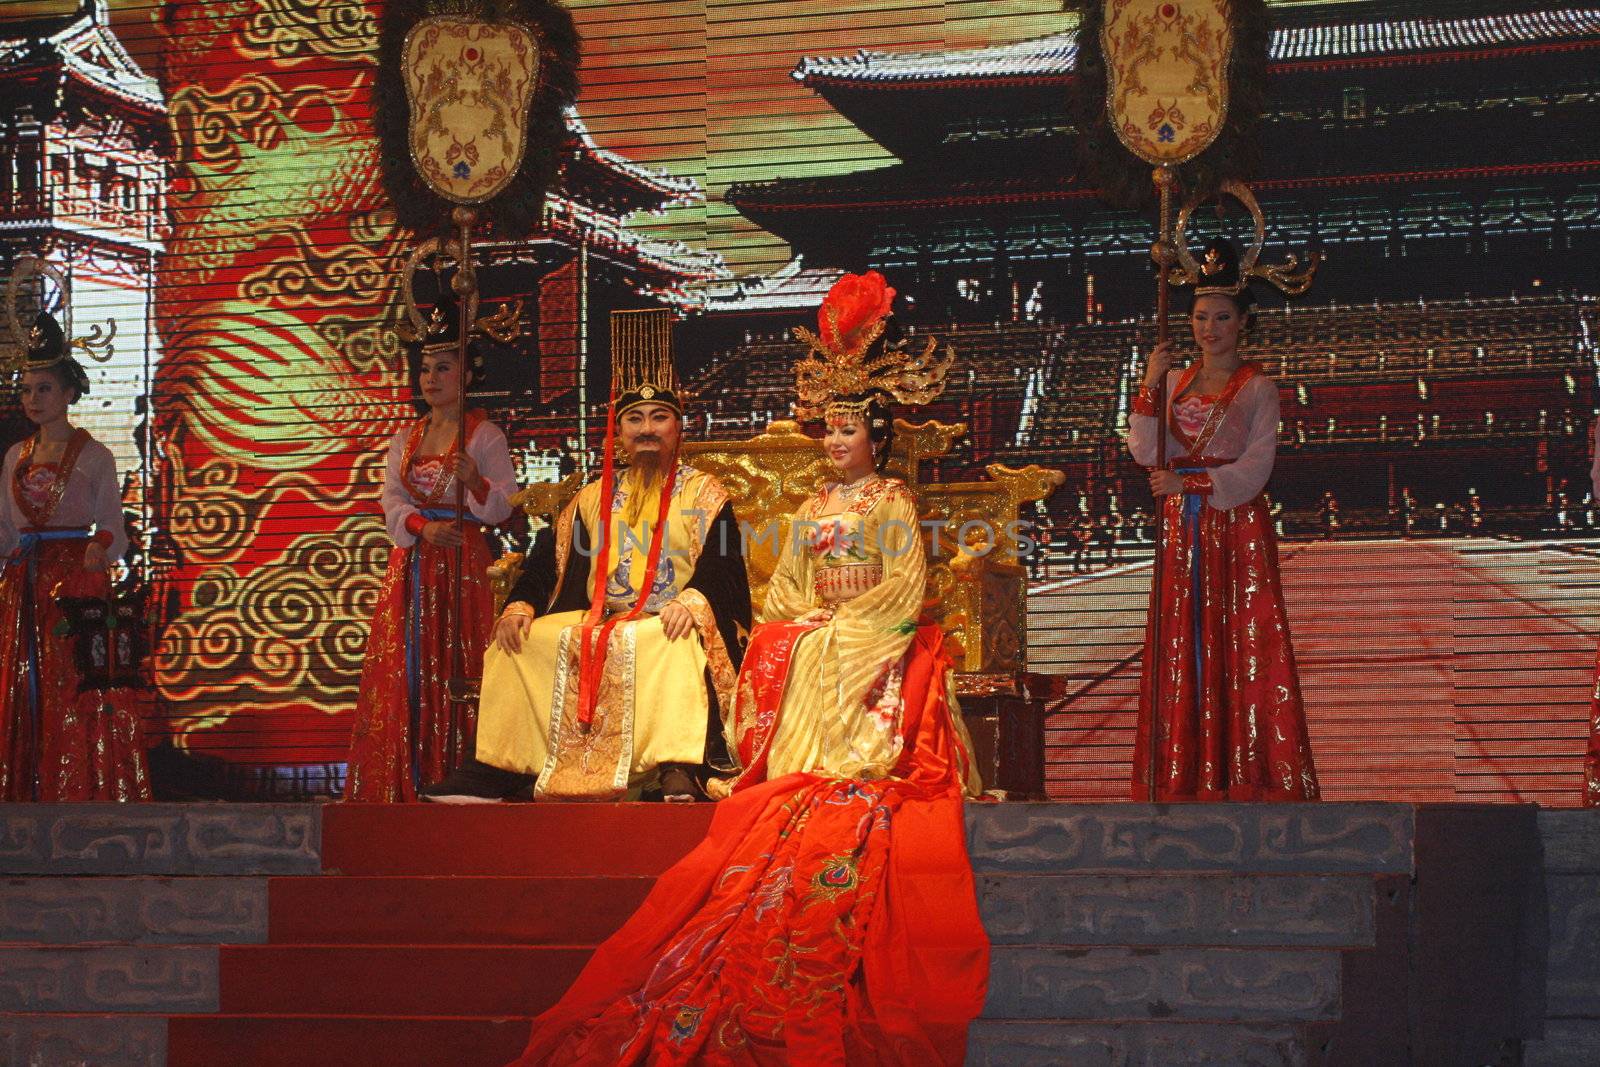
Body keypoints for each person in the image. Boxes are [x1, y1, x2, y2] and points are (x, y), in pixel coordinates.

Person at [514, 270, 987, 1065]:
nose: (837, 443)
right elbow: (790, 590)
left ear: (878, 437)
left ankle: (841, 757)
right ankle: (789, 756)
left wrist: (852, 622)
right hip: (821, 628)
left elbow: (906, 586)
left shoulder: (894, 504)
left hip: (873, 626)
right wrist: (801, 623)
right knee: (781, 641)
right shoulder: (809, 511)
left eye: (850, 432)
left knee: (834, 646)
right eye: (830, 431)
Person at [427, 308, 750, 802]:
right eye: (634, 420)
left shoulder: (705, 493)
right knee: (521, 640)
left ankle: (676, 765)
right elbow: (546, 565)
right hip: (603, 615)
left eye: (659, 418)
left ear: (677, 429)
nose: (646, 429)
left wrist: (694, 602)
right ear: (618, 434)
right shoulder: (594, 495)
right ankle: (497, 768)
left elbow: (723, 569)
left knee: (669, 639)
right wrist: (520, 605)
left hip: (670, 618)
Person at [1127, 238, 1319, 802]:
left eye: (1221, 318)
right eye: (1200, 317)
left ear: (1243, 323)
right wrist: (1149, 380)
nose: (1209, 328)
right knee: (1182, 639)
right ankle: (1182, 773)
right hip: (1180, 526)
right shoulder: (1172, 381)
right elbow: (1144, 449)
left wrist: (1190, 483)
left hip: (1233, 523)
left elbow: (1258, 464)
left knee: (1240, 639)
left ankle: (1246, 773)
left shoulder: (1258, 387)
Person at [343, 288, 517, 802]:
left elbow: (506, 502)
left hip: (464, 562)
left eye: (443, 369)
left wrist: (476, 483)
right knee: (410, 666)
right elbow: (390, 499)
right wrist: (419, 526)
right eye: (425, 370)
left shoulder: (484, 435)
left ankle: (461, 772)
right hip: (416, 562)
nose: (431, 380)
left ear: (465, 375)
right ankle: (404, 775)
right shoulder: (406, 436)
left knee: (462, 663)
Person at [0, 298, 148, 801]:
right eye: (26, 390)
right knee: (24, 685)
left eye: (44, 389)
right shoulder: (14, 456)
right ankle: (24, 789)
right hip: (23, 582)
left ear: (69, 393)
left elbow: (112, 526)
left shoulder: (95, 456)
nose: (33, 399)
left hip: (73, 582)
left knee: (73, 686)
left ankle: (80, 788)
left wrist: (100, 546)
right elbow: (5, 529)